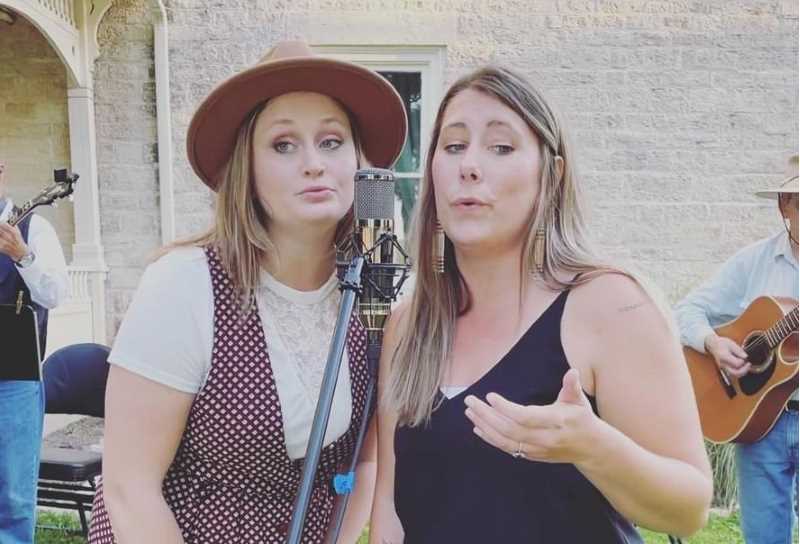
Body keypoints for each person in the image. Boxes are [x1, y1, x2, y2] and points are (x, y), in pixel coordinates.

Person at [368, 66, 712, 544]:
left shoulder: (608, 304)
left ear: (552, 174)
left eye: (501, 147)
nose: (469, 165)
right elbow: (389, 506)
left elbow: (689, 508)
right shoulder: (408, 325)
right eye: (453, 146)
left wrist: (592, 447)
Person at [87, 41, 407, 543]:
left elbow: (360, 465)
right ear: (248, 170)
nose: (313, 163)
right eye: (283, 145)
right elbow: (130, 488)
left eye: (331, 141)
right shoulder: (185, 286)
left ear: (361, 167)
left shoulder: (373, 297)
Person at [675, 154, 799, 544]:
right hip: (760, 423)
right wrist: (712, 342)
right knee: (763, 538)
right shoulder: (754, 261)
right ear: (785, 205)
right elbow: (686, 310)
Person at [0, 159, 69, 543]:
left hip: (14, 382)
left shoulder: (34, 227)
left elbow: (55, 293)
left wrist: (22, 254)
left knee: (12, 496)